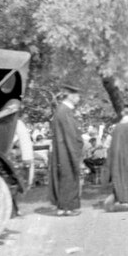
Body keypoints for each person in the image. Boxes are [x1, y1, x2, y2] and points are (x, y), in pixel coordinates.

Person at [49, 84, 83, 217]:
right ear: (71, 96)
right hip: (67, 151)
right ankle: (67, 208)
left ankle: (62, 207)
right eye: (77, 96)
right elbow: (71, 135)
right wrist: (77, 150)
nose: (79, 99)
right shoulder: (65, 111)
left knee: (64, 178)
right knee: (68, 178)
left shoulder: (60, 110)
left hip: (62, 150)